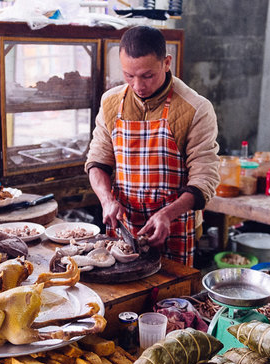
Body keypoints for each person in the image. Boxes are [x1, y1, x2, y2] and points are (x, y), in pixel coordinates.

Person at [85, 26, 220, 267]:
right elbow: (97, 161)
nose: (138, 85)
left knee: (171, 299)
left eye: (147, 76)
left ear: (166, 63)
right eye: (128, 75)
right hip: (124, 222)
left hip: (175, 223)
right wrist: (106, 199)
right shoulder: (111, 102)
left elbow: (205, 177)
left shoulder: (196, 108)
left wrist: (167, 214)